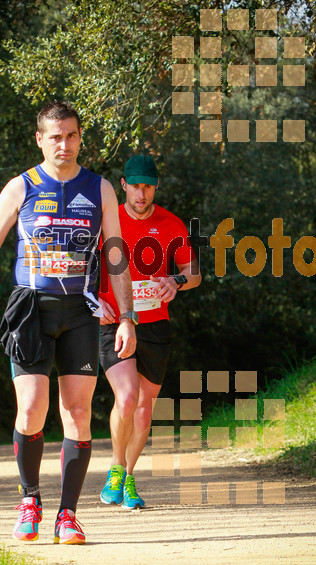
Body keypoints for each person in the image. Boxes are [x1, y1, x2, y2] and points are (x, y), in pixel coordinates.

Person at [0, 100, 136, 544]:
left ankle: (68, 515)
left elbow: (116, 254)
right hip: (30, 309)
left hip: (82, 313)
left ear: (80, 138)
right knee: (31, 410)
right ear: (40, 140)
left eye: (72, 135)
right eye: (56, 136)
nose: (65, 144)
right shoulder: (20, 187)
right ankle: (29, 500)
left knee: (78, 413)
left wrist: (127, 317)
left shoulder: (99, 188)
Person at [98, 154, 200, 509]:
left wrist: (176, 281)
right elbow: (84, 270)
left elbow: (194, 273)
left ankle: (128, 477)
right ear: (123, 184)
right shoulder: (106, 222)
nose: (142, 194)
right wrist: (96, 302)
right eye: (136, 186)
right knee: (126, 397)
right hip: (112, 324)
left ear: (156, 187)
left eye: (149, 187)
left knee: (144, 409)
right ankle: (115, 466)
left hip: (155, 325)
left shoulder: (171, 224)